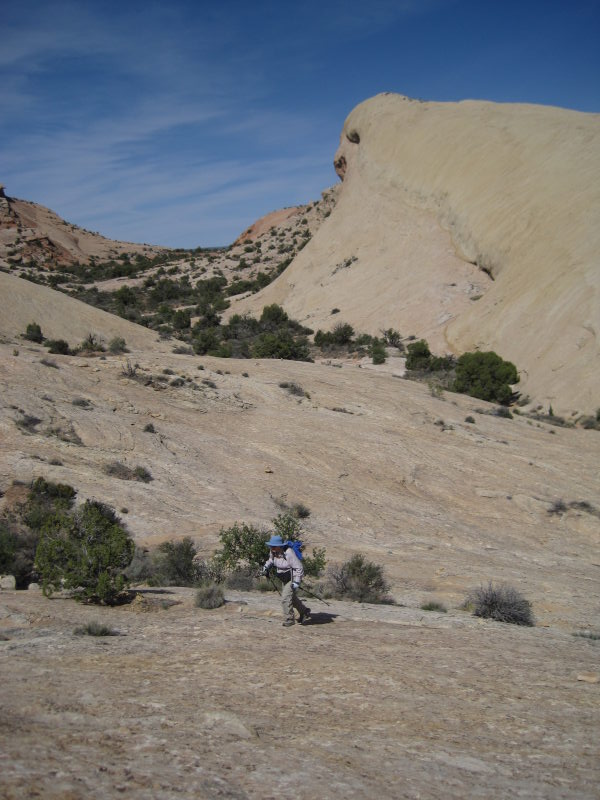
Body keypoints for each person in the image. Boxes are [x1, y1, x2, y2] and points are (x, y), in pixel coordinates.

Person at [261, 535, 311, 626]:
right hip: (284, 578)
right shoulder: (273, 552)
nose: (271, 548)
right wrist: (265, 567)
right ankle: (304, 611)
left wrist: (296, 582)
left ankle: (289, 619)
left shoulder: (289, 553)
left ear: (280, 546)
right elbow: (271, 561)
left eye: (274, 546)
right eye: (271, 546)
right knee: (291, 597)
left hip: (292, 578)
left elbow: (299, 567)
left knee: (285, 598)